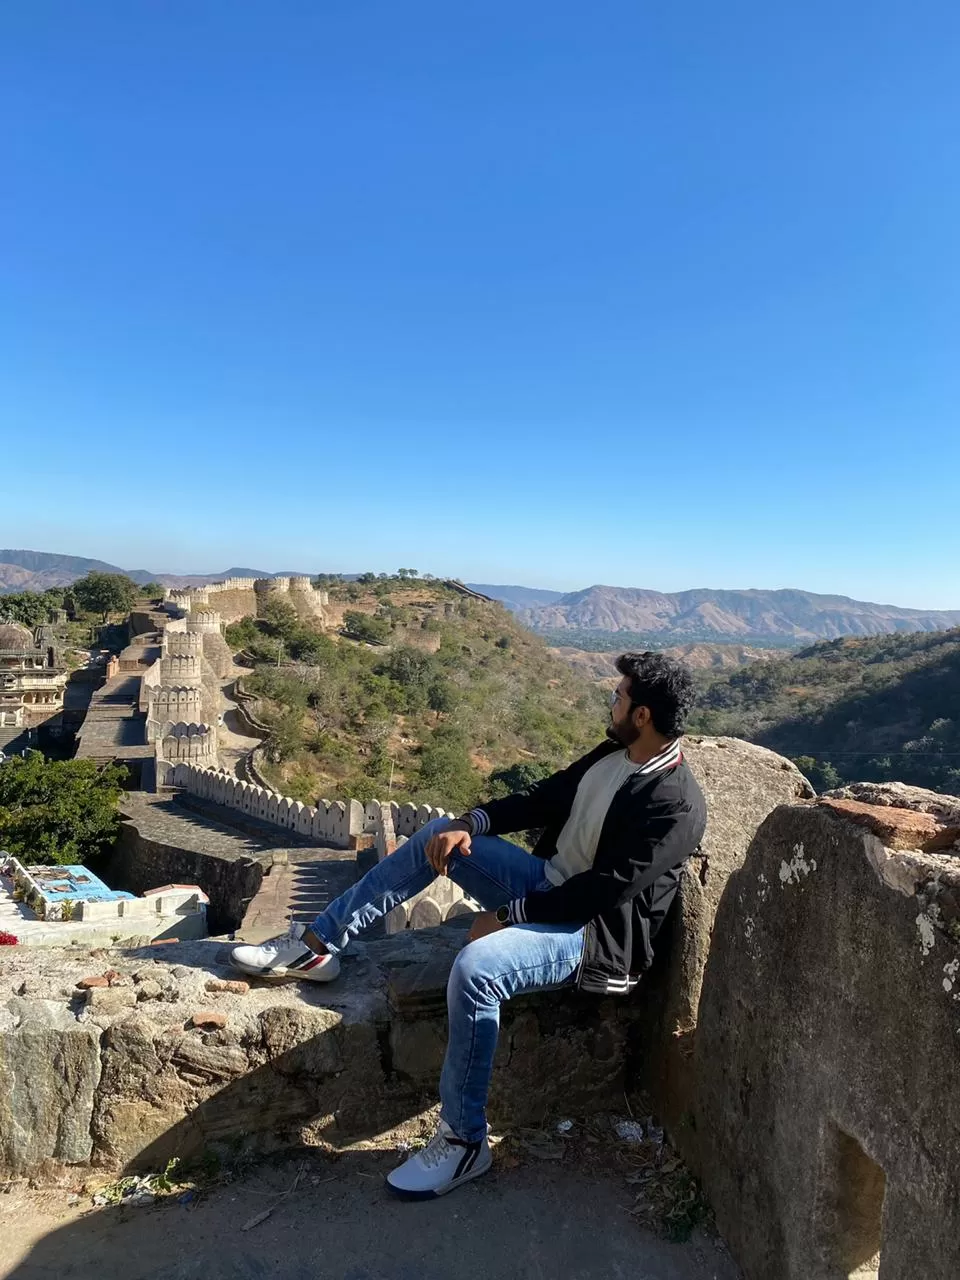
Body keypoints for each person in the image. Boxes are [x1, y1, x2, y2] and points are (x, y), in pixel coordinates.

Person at [231, 651, 707, 1200]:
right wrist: (469, 822)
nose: (612, 702)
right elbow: (545, 797)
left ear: (642, 714)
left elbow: (605, 891)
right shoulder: (615, 752)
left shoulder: (675, 803)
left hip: (592, 932)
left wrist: (508, 916)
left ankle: (463, 1143)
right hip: (546, 883)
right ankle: (317, 945)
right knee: (436, 834)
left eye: (619, 696)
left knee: (477, 969)